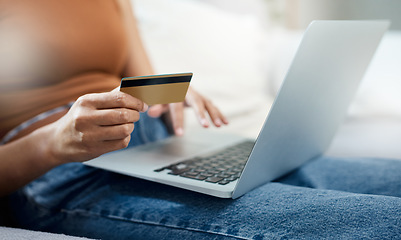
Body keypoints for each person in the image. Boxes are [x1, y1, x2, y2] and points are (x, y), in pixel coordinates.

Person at [1, 1, 401, 239]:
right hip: (59, 171)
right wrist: (53, 141)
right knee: (382, 222)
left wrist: (166, 91)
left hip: (161, 148)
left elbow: (138, 84)